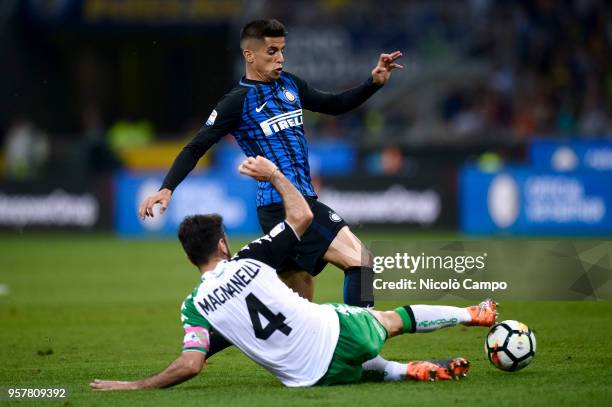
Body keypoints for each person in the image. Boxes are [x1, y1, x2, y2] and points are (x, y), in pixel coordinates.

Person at [91, 156, 498, 390]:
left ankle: (404, 370)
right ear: (221, 245)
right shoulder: (252, 258)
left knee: (361, 364)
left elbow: (192, 363)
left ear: (188, 259)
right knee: (388, 320)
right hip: (338, 332)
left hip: (307, 377)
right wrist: (274, 175)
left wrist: (136, 386)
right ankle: (472, 315)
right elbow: (301, 214)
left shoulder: (194, 307)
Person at [138, 19, 403, 309]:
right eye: (272, 52)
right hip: (285, 204)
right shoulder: (237, 102)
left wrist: (373, 83)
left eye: (282, 51)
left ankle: (294, 350)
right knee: (361, 262)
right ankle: (362, 344)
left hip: (289, 205)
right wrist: (167, 188)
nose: (280, 58)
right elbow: (196, 146)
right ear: (249, 56)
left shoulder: (290, 84)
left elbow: (334, 104)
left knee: (299, 285)